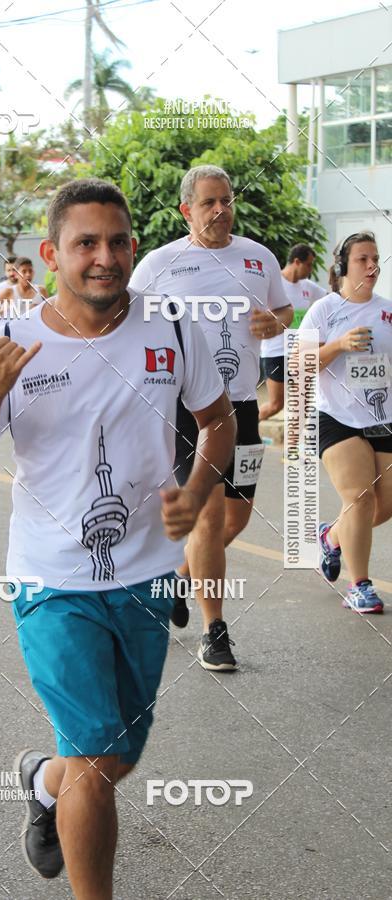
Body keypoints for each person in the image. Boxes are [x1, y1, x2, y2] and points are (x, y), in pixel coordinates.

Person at [0, 179, 236, 898]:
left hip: (148, 575)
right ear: (51, 254)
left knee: (116, 756)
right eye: (86, 244)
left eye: (118, 241)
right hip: (52, 581)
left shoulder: (170, 328)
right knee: (100, 760)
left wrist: (195, 496)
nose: (106, 257)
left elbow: (221, 422)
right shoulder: (15, 341)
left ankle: (42, 779)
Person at [130, 164, 293, 668]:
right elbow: (123, 318)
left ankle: (179, 580)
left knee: (236, 519)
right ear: (187, 211)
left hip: (241, 405)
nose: (221, 210)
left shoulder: (258, 257)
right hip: (187, 409)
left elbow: (283, 312)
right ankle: (215, 631)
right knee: (210, 513)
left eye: (226, 200)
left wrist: (275, 320)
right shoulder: (160, 264)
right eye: (209, 203)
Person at [300, 231, 392, 613]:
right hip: (336, 417)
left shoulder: (388, 310)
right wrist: (337, 345)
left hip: (383, 417)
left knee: (382, 505)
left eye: (376, 259)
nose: (372, 266)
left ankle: (331, 536)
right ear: (342, 266)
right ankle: (360, 586)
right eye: (363, 259)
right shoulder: (325, 309)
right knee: (359, 496)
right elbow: (299, 366)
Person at [259, 243, 326, 421]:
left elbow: (330, 298)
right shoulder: (274, 283)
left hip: (300, 353)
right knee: (276, 405)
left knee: (301, 405)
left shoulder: (308, 287)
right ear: (297, 261)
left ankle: (296, 446)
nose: (311, 269)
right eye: (309, 264)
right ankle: (243, 431)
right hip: (275, 352)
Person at [0, 257, 48, 336]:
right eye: (24, 271)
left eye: (30, 271)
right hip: (15, 335)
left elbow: (49, 314)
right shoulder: (9, 292)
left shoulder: (41, 291)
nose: (28, 274)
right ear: (17, 274)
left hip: (35, 334)